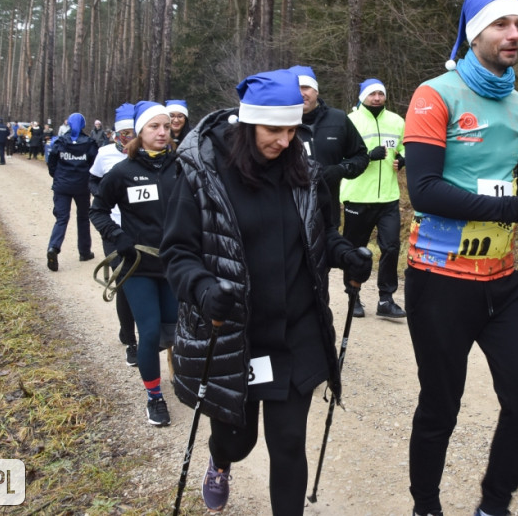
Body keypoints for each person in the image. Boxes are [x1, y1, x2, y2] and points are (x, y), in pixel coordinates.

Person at [403, 0, 518, 516]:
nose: (515, 35)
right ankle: (426, 507)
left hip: (502, 281)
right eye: (502, 24)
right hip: (439, 280)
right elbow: (427, 191)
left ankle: (493, 505)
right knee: (441, 406)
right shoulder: (434, 95)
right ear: (473, 32)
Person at [160, 69, 373, 515]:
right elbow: (177, 253)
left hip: (295, 332)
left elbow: (319, 235)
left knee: (289, 442)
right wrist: (202, 288)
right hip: (234, 334)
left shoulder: (306, 172)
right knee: (237, 440)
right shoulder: (201, 172)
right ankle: (221, 461)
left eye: (292, 130)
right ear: (248, 124)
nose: (284, 140)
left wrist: (344, 253)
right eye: (274, 130)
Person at [91, 101, 180, 426]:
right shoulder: (123, 173)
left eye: (166, 127)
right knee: (151, 329)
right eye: (154, 127)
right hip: (138, 265)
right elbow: (97, 210)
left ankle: (177, 376)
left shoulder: (180, 167)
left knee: (173, 330)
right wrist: (118, 235)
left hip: (173, 264)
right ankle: (154, 398)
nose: (161, 132)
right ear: (139, 132)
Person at [339, 78, 407, 319]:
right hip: (358, 197)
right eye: (372, 94)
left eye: (380, 93)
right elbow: (340, 158)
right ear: (362, 96)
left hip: (388, 197)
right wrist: (368, 156)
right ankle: (352, 294)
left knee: (391, 247)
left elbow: (405, 145)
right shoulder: (349, 121)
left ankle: (386, 299)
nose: (377, 98)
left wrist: (404, 158)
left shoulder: (397, 121)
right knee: (355, 249)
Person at [89, 103, 139, 368]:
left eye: (132, 133)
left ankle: (138, 332)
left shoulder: (146, 154)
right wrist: (105, 195)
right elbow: (93, 179)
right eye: (124, 133)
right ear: (116, 134)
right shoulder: (105, 154)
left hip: (139, 226)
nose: (127, 138)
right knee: (124, 281)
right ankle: (131, 340)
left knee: (141, 280)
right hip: (112, 226)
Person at [291, 65, 369, 229]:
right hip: (289, 215)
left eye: (306, 87)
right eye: (295, 88)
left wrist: (341, 169)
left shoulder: (338, 119)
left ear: (316, 91)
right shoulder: (278, 123)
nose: (301, 93)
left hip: (327, 215)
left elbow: (361, 156)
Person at [46, 112, 99, 272]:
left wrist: (57, 176)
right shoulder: (89, 143)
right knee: (83, 218)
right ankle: (84, 252)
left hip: (62, 185)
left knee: (61, 218)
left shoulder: (60, 141)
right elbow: (94, 164)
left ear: (68, 124)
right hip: (82, 186)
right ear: (83, 125)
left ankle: (53, 248)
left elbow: (52, 162)